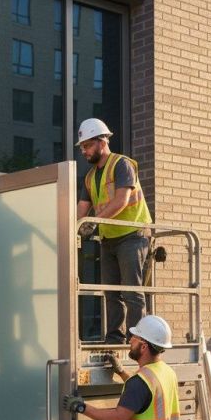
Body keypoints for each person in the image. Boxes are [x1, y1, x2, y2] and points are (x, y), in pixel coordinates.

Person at [75, 118, 152, 344]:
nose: (84, 151)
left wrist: (93, 222)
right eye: (82, 147)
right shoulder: (89, 177)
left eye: (87, 145)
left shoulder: (122, 164)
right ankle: (114, 339)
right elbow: (81, 210)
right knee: (111, 292)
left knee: (132, 292)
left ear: (102, 141)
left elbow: (121, 200)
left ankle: (136, 340)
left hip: (133, 235)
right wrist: (73, 228)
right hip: (109, 239)